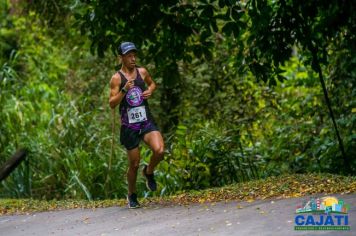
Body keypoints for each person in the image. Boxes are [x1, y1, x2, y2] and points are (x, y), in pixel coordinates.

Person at [109, 42, 164, 208]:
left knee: (160, 150)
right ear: (121, 58)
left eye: (134, 55)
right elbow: (112, 103)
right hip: (129, 126)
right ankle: (132, 194)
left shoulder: (142, 71)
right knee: (133, 164)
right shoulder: (117, 78)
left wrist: (151, 90)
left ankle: (148, 171)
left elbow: (152, 83)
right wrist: (124, 90)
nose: (133, 59)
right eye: (129, 56)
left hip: (146, 121)